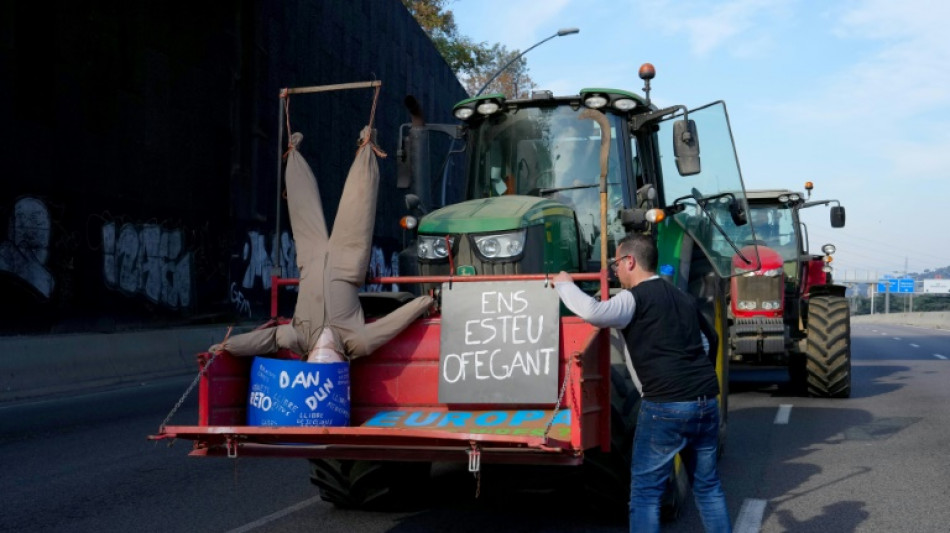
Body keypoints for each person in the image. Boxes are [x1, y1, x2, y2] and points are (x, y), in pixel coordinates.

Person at [553, 233, 731, 533]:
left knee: (646, 494)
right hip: (705, 403)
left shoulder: (633, 298)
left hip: (665, 407)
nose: (614, 272)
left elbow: (593, 313)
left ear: (630, 261)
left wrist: (564, 285)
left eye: (615, 264)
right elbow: (707, 341)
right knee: (708, 487)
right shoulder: (682, 297)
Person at [209, 128, 433, 362]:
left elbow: (270, 337)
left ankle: (293, 154)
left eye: (316, 363)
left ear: (308, 359)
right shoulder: (357, 342)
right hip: (348, 261)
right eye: (329, 364)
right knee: (359, 202)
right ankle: (367, 144)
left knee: (301, 205)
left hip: (311, 258)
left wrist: (229, 346)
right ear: (342, 363)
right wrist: (426, 301)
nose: (322, 360)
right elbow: (393, 324)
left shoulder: (298, 339)